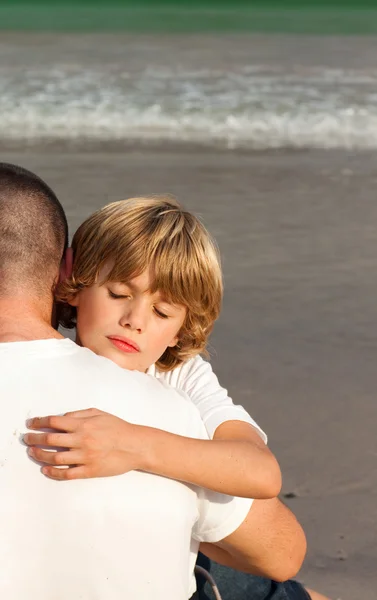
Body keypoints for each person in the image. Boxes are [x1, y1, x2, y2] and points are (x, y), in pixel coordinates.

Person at [0, 162, 306, 600]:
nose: (134, 322)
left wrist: (136, 444)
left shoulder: (178, 376)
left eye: (162, 313)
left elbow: (262, 471)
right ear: (73, 282)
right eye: (119, 295)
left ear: (182, 329)